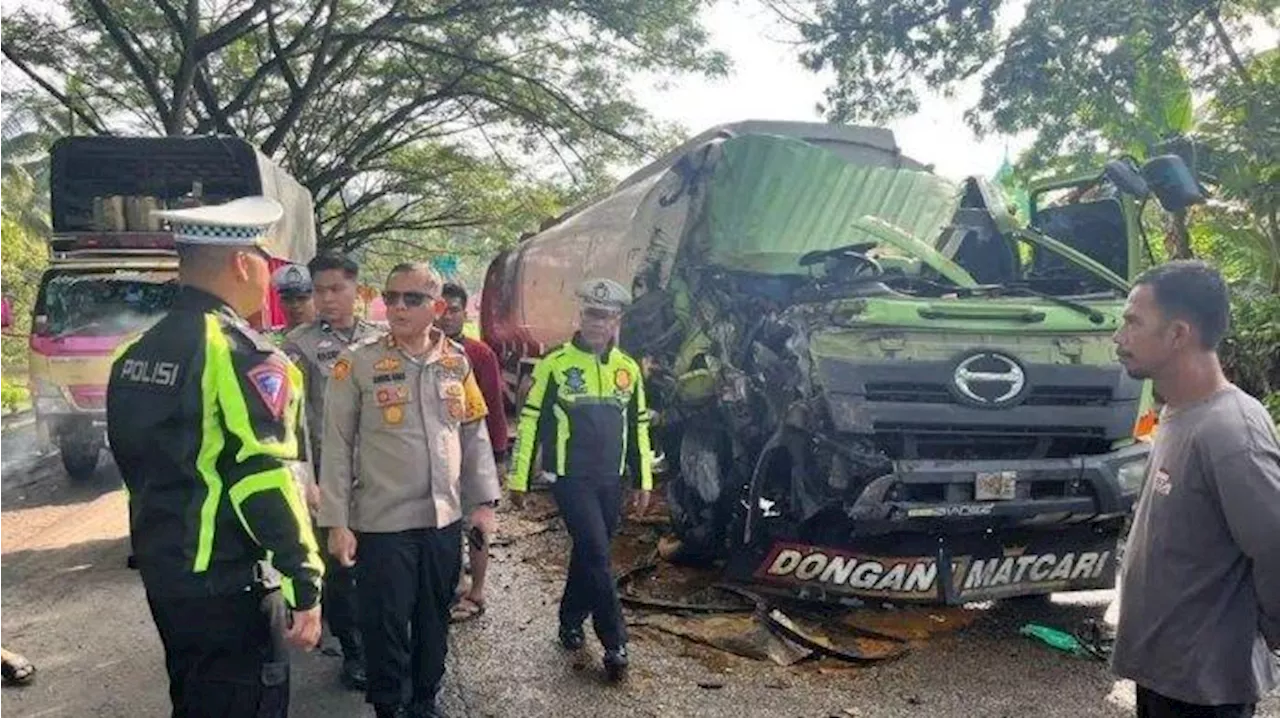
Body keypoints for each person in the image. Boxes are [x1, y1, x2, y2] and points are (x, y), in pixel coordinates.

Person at [106, 196, 324, 718]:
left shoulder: (133, 354)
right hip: (227, 584)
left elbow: (134, 462)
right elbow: (263, 480)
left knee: (196, 700)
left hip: (167, 573)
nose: (269, 277)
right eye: (264, 262)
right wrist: (305, 580)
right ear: (241, 263)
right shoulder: (241, 353)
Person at [318, 262, 500, 718]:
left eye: (411, 299)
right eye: (391, 296)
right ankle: (388, 705)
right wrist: (337, 522)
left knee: (435, 617)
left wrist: (483, 505)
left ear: (436, 307)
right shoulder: (357, 363)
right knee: (385, 623)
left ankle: (424, 700)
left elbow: (473, 435)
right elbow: (336, 447)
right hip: (383, 522)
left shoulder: (455, 362)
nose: (397, 306)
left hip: (441, 520)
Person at [1111, 259, 1280, 718]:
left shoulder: (1230, 431)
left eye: (1132, 322)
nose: (1119, 337)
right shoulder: (1178, 412)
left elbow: (1274, 546)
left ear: (1178, 334)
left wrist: (1265, 632)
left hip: (1205, 691)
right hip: (1165, 675)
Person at [506, 277, 653, 682]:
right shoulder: (555, 364)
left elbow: (638, 424)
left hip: (612, 479)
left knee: (590, 553)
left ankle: (570, 619)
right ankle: (615, 643)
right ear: (581, 315)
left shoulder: (629, 370)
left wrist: (643, 481)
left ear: (616, 320)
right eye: (590, 313)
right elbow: (530, 422)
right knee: (598, 554)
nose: (596, 322)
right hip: (571, 479)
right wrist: (518, 478)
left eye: (604, 316)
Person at [281, 253, 383, 690]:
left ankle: (385, 640)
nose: (326, 299)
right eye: (319, 291)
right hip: (329, 477)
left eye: (335, 289)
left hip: (381, 474)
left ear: (358, 292)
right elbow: (292, 423)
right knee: (342, 566)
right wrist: (305, 479)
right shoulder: (298, 347)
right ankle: (355, 650)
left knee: (381, 562)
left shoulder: (382, 340)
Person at [436, 281, 508, 623]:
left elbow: (492, 407)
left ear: (465, 313)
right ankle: (453, 585)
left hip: (474, 454)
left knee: (478, 527)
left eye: (454, 309)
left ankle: (476, 593)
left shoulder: (479, 354)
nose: (447, 316)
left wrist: (496, 457)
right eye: (442, 309)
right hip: (439, 459)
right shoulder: (426, 352)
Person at [272, 263, 316, 335]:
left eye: (302, 298)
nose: (295, 305)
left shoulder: (331, 339)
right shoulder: (268, 340)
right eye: (287, 299)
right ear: (280, 303)